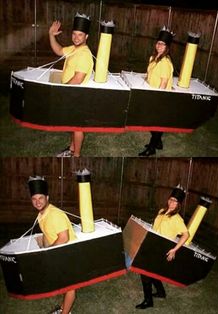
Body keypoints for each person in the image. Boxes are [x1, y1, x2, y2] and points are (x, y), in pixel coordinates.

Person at [135, 184, 190, 309]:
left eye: (175, 201)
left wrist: (174, 250)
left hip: (162, 249)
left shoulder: (177, 219)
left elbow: (186, 235)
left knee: (145, 272)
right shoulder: (161, 211)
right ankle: (161, 292)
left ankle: (148, 301)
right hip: (152, 245)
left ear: (178, 204)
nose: (172, 203)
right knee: (152, 272)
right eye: (171, 199)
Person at [28, 176, 77, 314]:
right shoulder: (41, 214)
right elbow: (48, 233)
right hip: (60, 253)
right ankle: (63, 308)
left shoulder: (55, 214)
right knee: (65, 285)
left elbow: (64, 237)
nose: (37, 202)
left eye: (41, 198)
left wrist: (47, 252)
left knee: (70, 288)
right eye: (34, 199)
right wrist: (43, 244)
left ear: (47, 198)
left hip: (69, 253)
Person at [49, 13, 94, 157]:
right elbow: (58, 50)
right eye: (74, 34)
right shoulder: (74, 49)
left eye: (80, 35)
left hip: (77, 94)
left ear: (86, 37)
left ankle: (76, 155)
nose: (76, 37)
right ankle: (72, 149)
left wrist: (61, 92)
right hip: (70, 92)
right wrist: (51, 35)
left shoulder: (85, 54)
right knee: (72, 125)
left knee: (77, 128)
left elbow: (78, 79)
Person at [139, 27, 174, 157]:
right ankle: (158, 142)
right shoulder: (153, 57)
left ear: (167, 47)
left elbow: (163, 83)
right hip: (150, 92)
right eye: (158, 43)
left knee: (155, 122)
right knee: (151, 122)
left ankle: (152, 148)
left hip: (159, 96)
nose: (160, 46)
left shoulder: (165, 62)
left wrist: (157, 100)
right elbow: (150, 74)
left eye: (163, 44)